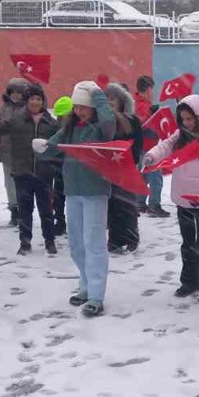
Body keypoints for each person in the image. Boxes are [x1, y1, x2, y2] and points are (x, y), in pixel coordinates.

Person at [36, 82, 116, 318]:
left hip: (95, 191)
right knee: (76, 243)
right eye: (77, 107)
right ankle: (85, 284)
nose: (80, 111)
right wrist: (42, 148)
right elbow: (55, 146)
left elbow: (109, 123)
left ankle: (96, 295)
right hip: (72, 190)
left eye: (85, 107)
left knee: (94, 243)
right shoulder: (70, 127)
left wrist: (98, 95)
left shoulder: (101, 128)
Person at [143, 94, 199, 307]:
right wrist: (152, 156)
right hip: (183, 201)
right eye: (183, 119)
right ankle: (189, 281)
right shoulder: (179, 136)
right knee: (188, 244)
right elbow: (163, 146)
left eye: (190, 119)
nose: (187, 123)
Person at [0, 83, 59, 256]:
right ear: (27, 101)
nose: (35, 102)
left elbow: (60, 145)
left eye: (38, 99)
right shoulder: (16, 120)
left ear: (43, 101)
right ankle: (25, 242)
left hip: (44, 173)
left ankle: (50, 241)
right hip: (22, 172)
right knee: (25, 210)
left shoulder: (51, 123)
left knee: (46, 210)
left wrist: (54, 162)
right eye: (32, 99)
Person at [105, 82, 143, 254]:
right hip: (109, 169)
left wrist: (130, 158)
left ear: (121, 100)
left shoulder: (132, 120)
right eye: (107, 98)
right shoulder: (105, 121)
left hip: (127, 168)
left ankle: (132, 237)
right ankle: (115, 240)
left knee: (128, 204)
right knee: (113, 206)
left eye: (112, 98)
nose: (109, 101)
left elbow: (138, 144)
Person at [0, 78, 30, 228]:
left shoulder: (29, 109)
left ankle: (25, 210)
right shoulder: (3, 109)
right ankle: (14, 210)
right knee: (10, 184)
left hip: (25, 154)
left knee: (24, 184)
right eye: (12, 92)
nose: (15, 95)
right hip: (7, 154)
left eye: (19, 93)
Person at [135, 76, 169, 218]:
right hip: (147, 147)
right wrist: (153, 115)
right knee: (155, 176)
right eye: (151, 89)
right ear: (148, 88)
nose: (152, 92)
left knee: (144, 176)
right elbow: (143, 124)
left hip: (146, 145)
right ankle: (154, 205)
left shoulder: (141, 103)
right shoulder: (141, 105)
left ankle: (139, 202)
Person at [48, 96, 73, 236]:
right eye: (60, 117)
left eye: (64, 117)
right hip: (59, 167)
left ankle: (68, 221)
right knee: (58, 198)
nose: (62, 120)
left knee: (72, 198)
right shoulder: (55, 128)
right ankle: (60, 221)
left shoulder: (78, 129)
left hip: (72, 169)